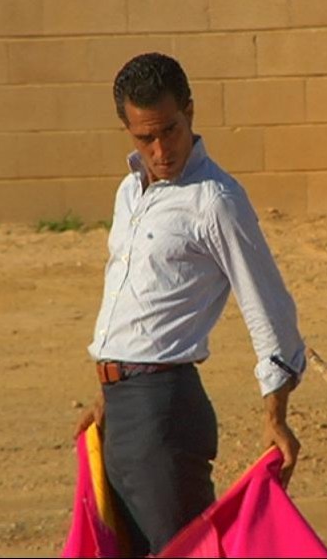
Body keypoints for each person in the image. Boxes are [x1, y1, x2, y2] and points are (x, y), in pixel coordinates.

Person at [72, 52, 307, 557]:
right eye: (145, 137)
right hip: (123, 409)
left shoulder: (214, 199)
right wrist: (107, 394)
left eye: (170, 131)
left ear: (191, 113)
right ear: (127, 130)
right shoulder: (128, 193)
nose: (161, 149)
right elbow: (131, 301)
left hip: (164, 411)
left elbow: (268, 305)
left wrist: (276, 415)